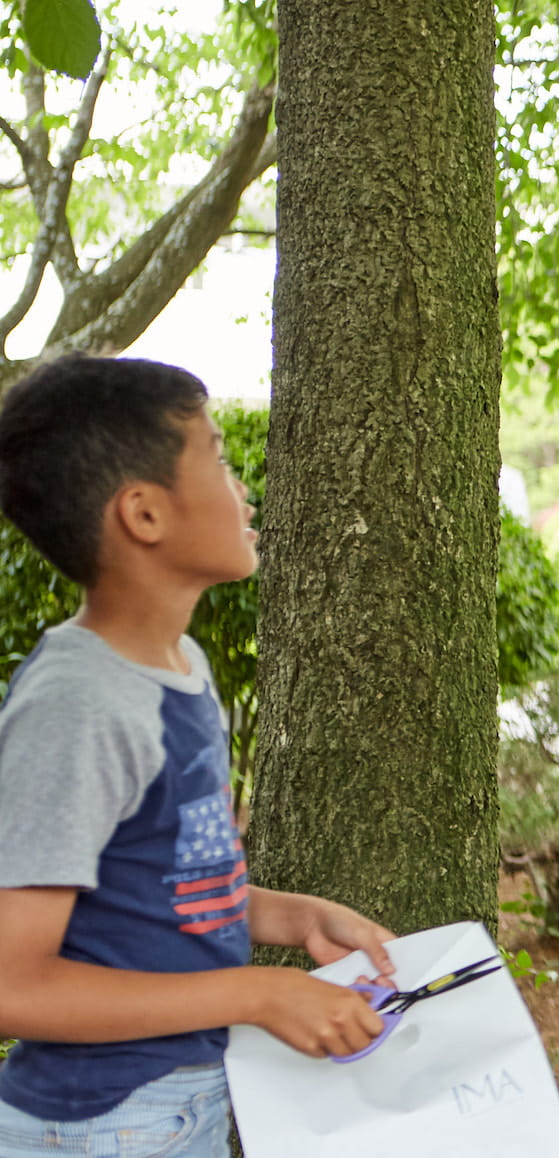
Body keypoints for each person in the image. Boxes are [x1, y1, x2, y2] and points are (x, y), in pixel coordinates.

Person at [0, 356, 397, 1156]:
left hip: (177, 1103)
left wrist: (293, 916)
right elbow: (15, 984)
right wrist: (257, 993)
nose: (242, 486)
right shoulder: (79, 703)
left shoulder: (181, 667)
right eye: (216, 458)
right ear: (144, 513)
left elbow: (158, 896)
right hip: (105, 1125)